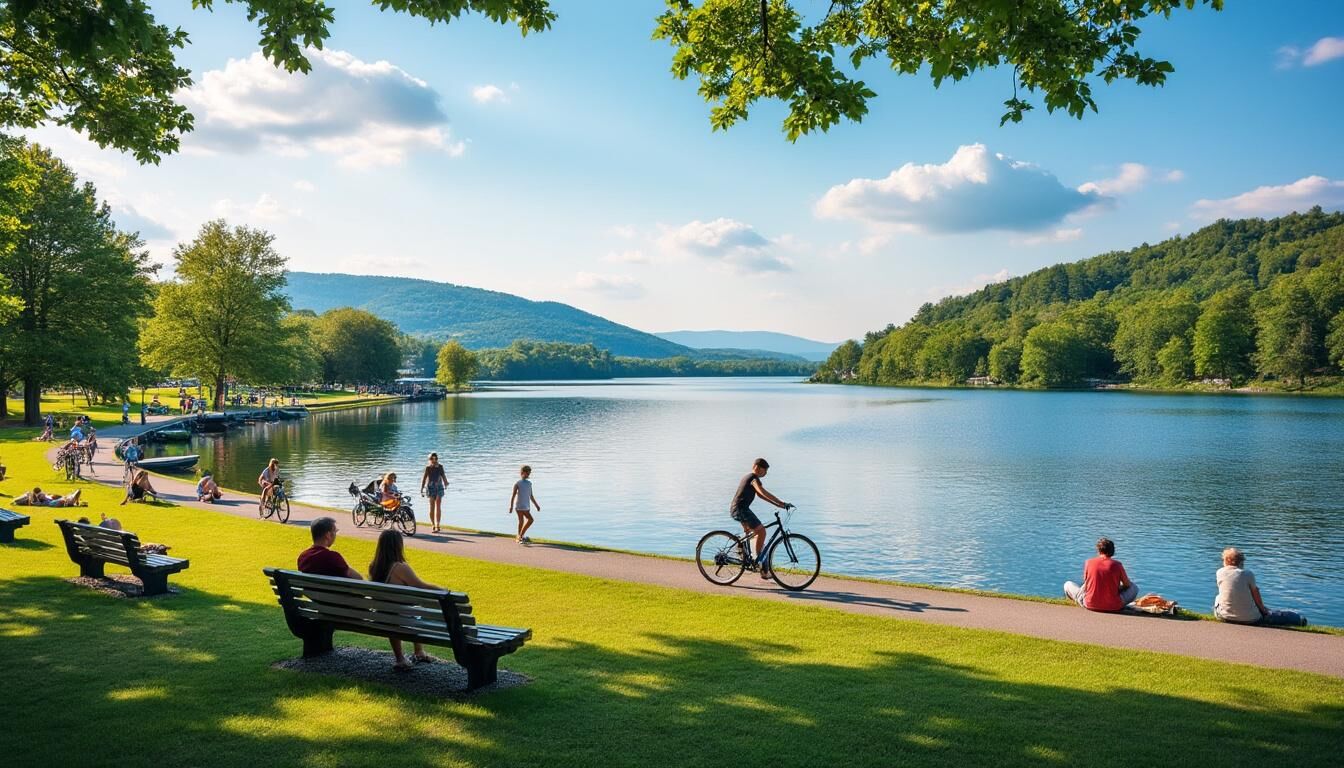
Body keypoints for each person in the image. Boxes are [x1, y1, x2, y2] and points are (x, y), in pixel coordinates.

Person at [369, 529, 442, 670]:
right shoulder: (400, 567)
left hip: (382, 615)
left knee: (397, 611)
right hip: (400, 617)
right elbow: (421, 586)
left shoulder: (374, 566)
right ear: (398, 546)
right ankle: (417, 652)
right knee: (416, 610)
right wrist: (444, 590)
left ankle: (400, 657)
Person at [729, 458, 792, 577]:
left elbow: (760, 496)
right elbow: (762, 492)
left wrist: (779, 504)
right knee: (762, 532)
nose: (766, 473)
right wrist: (781, 503)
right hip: (741, 509)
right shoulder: (753, 478)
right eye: (765, 470)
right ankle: (759, 561)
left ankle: (746, 556)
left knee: (752, 535)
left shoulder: (749, 478)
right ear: (757, 467)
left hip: (738, 509)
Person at [1213, 547, 1307, 627]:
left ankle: (1229, 613)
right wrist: (1263, 610)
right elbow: (1255, 593)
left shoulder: (1219, 572)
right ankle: (1300, 619)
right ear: (1241, 562)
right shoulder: (1248, 574)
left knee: (1218, 597)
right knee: (1278, 615)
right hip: (1250, 619)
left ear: (1225, 560)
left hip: (1224, 616)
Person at [1063, 537, 1139, 612]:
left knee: (1067, 584)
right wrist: (1119, 588)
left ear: (1099, 550)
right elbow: (1127, 584)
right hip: (1114, 606)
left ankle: (1075, 601)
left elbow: (1086, 583)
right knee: (1134, 587)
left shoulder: (1089, 562)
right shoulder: (1117, 565)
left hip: (1089, 604)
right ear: (1112, 551)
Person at [297, 517, 362, 579]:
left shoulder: (303, 557)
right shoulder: (333, 557)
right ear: (328, 535)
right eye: (335, 531)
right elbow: (357, 578)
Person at [509, 465, 541, 544]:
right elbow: (513, 495)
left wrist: (536, 505)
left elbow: (531, 496)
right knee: (530, 520)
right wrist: (511, 506)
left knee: (521, 521)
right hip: (520, 506)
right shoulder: (518, 483)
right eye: (527, 473)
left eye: (529, 473)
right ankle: (521, 536)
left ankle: (519, 537)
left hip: (526, 505)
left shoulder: (529, 483)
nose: (528, 475)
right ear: (522, 473)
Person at [421, 453, 448, 533]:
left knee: (438, 506)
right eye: (432, 459)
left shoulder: (440, 467)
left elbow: (443, 476)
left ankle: (438, 525)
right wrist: (422, 488)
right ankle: (433, 524)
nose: (434, 460)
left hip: (439, 487)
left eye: (435, 458)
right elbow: (424, 478)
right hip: (430, 487)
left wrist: (446, 483)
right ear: (430, 460)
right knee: (432, 506)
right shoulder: (428, 468)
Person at [14, 486, 83, 507]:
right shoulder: (35, 500)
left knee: (59, 498)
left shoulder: (36, 498)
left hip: (49, 500)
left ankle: (71, 498)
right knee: (62, 500)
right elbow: (33, 500)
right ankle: (71, 499)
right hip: (49, 502)